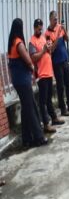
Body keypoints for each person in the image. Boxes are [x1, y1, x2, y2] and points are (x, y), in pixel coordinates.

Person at [7, 18, 48, 147]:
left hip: (17, 80)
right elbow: (28, 60)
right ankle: (38, 137)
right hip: (23, 80)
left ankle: (26, 138)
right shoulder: (19, 43)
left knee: (25, 108)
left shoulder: (11, 43)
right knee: (31, 107)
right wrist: (32, 69)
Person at [45, 11, 69, 117]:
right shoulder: (47, 33)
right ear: (50, 19)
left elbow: (67, 39)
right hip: (56, 62)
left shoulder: (60, 28)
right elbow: (51, 49)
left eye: (57, 19)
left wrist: (64, 31)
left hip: (65, 59)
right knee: (60, 86)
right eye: (54, 19)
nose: (56, 21)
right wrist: (57, 34)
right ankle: (63, 108)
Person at [29, 19, 60, 132]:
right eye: (38, 29)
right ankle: (46, 124)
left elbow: (49, 52)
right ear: (34, 28)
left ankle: (54, 118)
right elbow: (33, 58)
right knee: (42, 102)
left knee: (49, 99)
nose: (40, 30)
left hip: (49, 72)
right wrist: (43, 50)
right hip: (41, 75)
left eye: (41, 28)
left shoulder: (43, 38)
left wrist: (49, 48)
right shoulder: (32, 42)